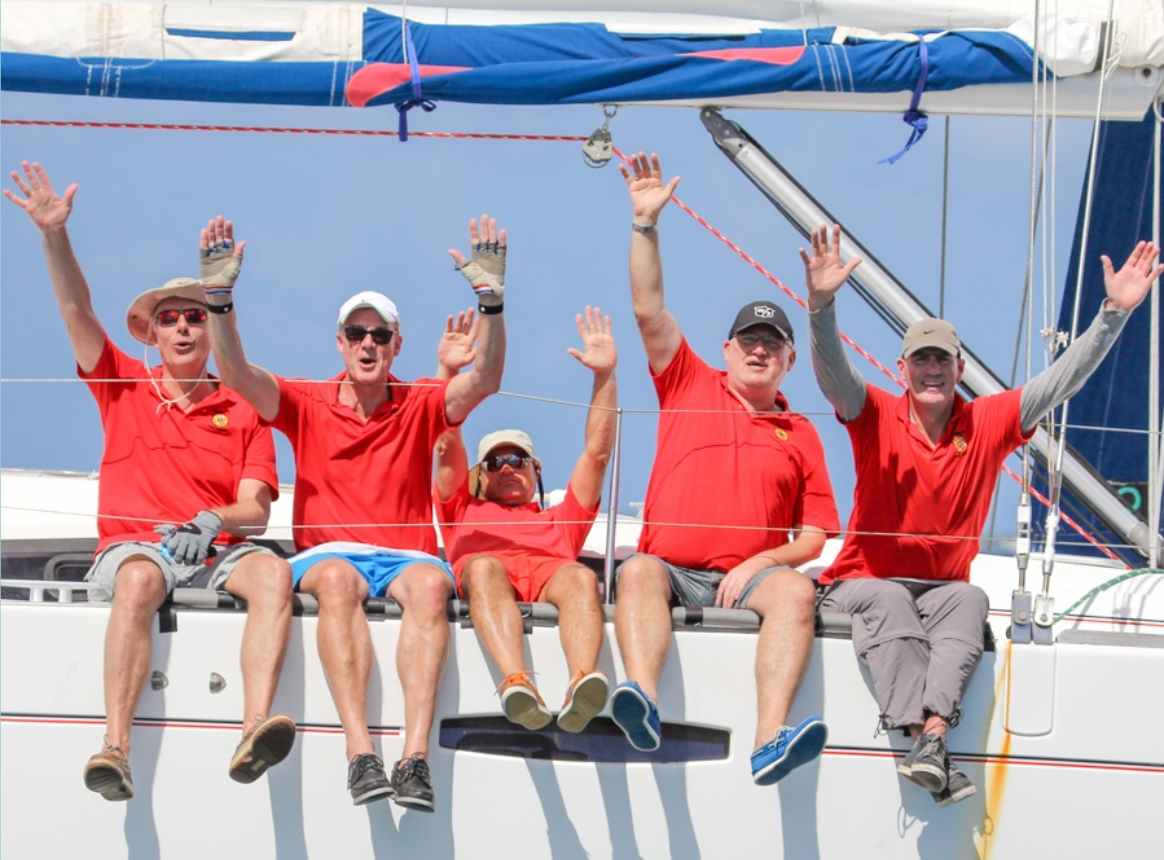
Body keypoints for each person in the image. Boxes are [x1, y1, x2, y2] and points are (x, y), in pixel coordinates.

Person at [802, 223, 1164, 806]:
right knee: (891, 598)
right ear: (903, 370)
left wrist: (1112, 315)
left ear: (959, 366)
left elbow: (1059, 382)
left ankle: (933, 739)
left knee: (971, 600)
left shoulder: (988, 421)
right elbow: (832, 374)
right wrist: (821, 306)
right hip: (861, 582)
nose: (932, 370)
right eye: (920, 360)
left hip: (944, 588)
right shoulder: (873, 416)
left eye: (941, 360)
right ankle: (923, 739)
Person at [3, 162, 296, 801]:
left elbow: (257, 508)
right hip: (137, 549)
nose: (186, 327)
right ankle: (115, 747)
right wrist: (54, 235)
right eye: (172, 319)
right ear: (153, 335)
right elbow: (76, 309)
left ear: (210, 329)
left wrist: (213, 519)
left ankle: (253, 729)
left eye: (196, 316)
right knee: (139, 577)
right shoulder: (122, 385)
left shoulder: (245, 407)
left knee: (275, 571)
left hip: (215, 551)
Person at [204, 212, 507, 812]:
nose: (368, 344)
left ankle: (415, 759)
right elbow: (235, 374)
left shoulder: (421, 401)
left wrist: (492, 304)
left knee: (427, 584)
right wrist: (218, 300)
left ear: (397, 345)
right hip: (327, 555)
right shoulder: (305, 401)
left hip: (405, 558)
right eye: (357, 333)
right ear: (339, 343)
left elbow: (487, 377)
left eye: (380, 335)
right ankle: (361, 755)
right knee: (338, 579)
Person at [611, 153, 840, 785]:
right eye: (749, 342)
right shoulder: (687, 380)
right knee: (636, 571)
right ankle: (642, 700)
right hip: (672, 572)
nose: (759, 351)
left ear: (790, 361)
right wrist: (645, 226)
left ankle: (770, 739)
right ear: (728, 351)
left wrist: (762, 562)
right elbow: (648, 310)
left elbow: (817, 536)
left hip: (750, 581)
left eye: (772, 346)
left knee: (797, 591)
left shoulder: (802, 433)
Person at [433, 307, 617, 732]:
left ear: (536, 470)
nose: (507, 467)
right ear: (481, 475)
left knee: (577, 575)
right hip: (487, 580)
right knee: (483, 566)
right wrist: (447, 371)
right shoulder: (461, 509)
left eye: (517, 459)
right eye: (495, 462)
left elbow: (597, 454)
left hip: (551, 579)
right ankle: (516, 683)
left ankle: (580, 684)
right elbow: (444, 444)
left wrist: (604, 375)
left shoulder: (560, 520)